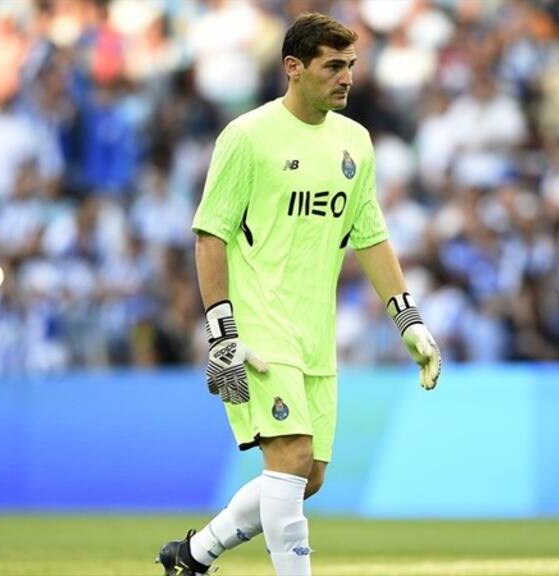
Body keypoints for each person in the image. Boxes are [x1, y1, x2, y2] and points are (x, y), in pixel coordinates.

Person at [156, 13, 441, 576]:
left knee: (307, 476)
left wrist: (409, 321)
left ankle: (193, 555)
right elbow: (210, 235)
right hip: (258, 325)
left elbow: (371, 237)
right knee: (289, 456)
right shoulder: (246, 137)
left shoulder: (355, 142)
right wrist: (222, 331)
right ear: (294, 68)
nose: (347, 78)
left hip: (315, 330)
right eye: (333, 66)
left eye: (351, 66)